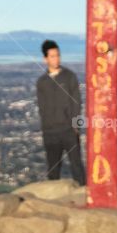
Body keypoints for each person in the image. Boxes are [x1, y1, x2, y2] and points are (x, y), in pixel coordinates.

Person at [35, 39, 86, 185]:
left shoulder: (69, 77)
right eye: (52, 56)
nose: (56, 59)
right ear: (45, 59)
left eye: (58, 55)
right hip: (50, 132)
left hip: (69, 130)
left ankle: (84, 193)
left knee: (76, 166)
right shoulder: (42, 82)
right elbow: (41, 107)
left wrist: (76, 126)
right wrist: (45, 128)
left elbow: (76, 102)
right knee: (53, 169)